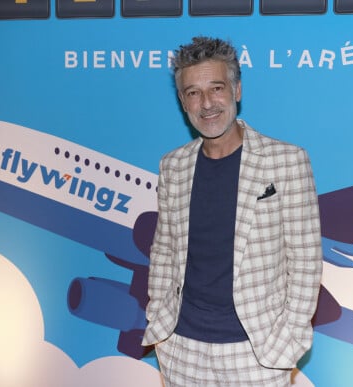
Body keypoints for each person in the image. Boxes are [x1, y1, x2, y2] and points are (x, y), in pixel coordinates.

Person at [141, 36, 323, 386]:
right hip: (182, 351)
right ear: (182, 101)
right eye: (193, 92)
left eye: (217, 88)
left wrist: (285, 344)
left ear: (236, 90)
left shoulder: (286, 160)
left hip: (257, 354)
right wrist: (162, 329)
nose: (207, 103)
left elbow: (305, 261)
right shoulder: (173, 165)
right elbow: (164, 249)